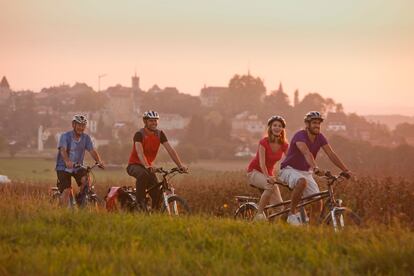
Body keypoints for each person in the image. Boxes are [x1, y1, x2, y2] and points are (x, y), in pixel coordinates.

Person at [279, 111, 351, 225]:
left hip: (305, 172)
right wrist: (315, 167)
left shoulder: (320, 137)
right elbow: (306, 153)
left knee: (317, 202)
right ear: (307, 125)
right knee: (301, 182)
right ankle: (291, 214)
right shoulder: (300, 135)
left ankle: (311, 229)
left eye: (318, 123)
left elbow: (331, 154)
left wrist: (345, 170)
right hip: (289, 169)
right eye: (314, 123)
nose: (317, 125)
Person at [126, 110, 187, 211]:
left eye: (155, 121)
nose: (154, 123)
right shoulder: (139, 134)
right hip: (134, 165)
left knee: (157, 195)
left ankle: (154, 215)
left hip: (149, 167)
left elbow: (170, 150)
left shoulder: (160, 134)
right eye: (151, 121)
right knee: (143, 175)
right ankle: (139, 203)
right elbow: (139, 152)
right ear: (145, 122)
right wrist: (146, 165)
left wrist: (180, 166)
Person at [55, 114, 104, 207]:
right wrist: (67, 161)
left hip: (77, 167)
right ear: (73, 125)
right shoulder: (65, 136)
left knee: (86, 181)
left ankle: (80, 202)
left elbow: (92, 150)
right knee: (67, 190)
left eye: (83, 126)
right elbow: (62, 149)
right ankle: (61, 211)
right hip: (63, 167)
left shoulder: (86, 138)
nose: (81, 128)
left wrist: (99, 161)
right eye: (79, 125)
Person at [247, 115, 289, 221]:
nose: (277, 127)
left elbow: (290, 161)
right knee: (269, 186)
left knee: (280, 208)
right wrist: (267, 177)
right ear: (270, 127)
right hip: (254, 172)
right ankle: (259, 215)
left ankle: (272, 227)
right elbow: (262, 163)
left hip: (269, 176)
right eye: (274, 125)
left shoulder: (284, 145)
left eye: (280, 126)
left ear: (282, 129)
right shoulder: (264, 142)